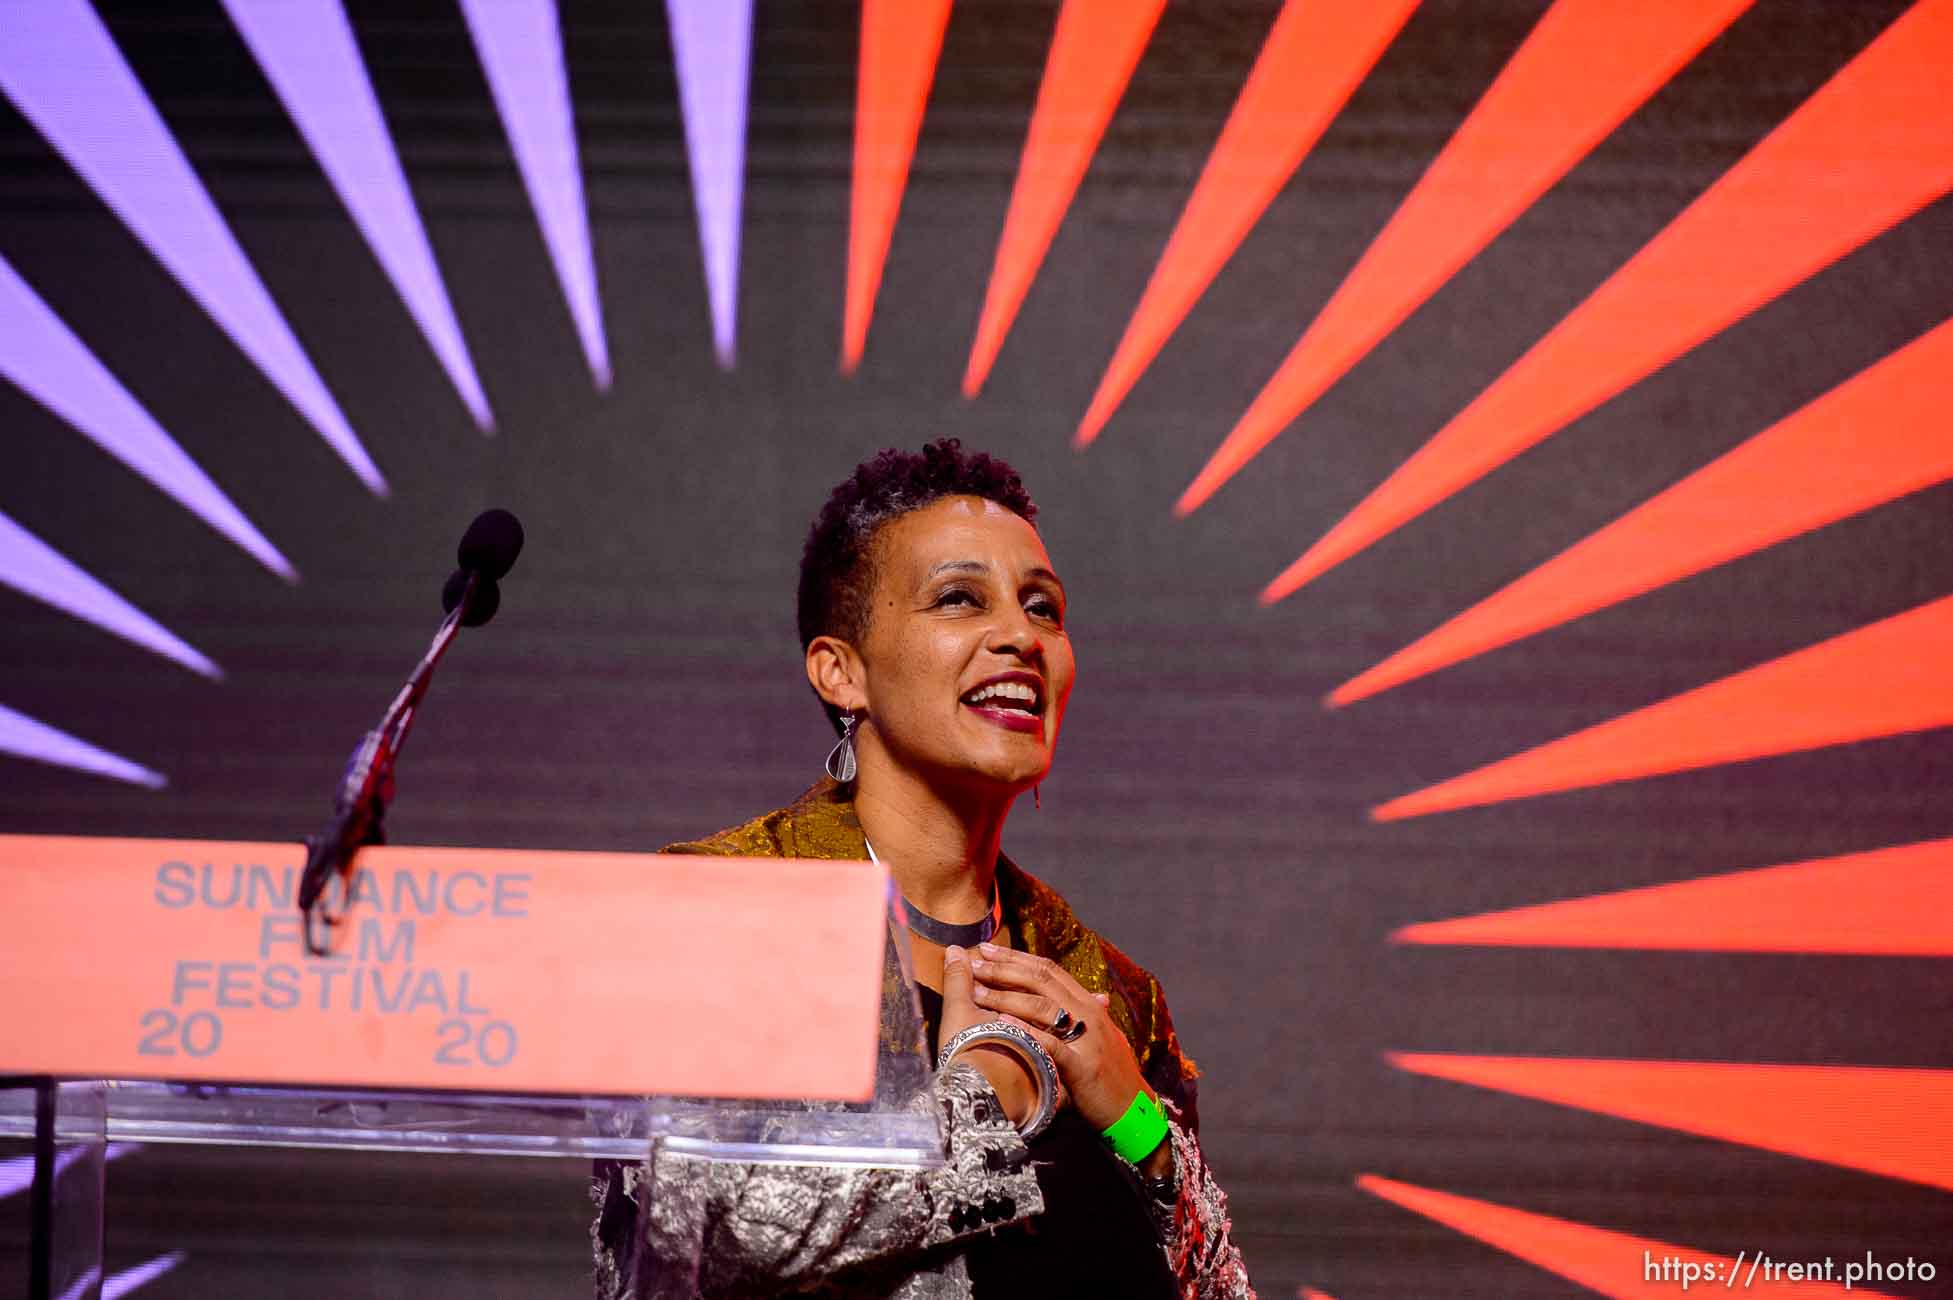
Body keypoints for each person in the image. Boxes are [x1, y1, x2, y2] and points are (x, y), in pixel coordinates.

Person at [592, 439, 1254, 1299]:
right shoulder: (716, 914)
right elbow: (724, 1243)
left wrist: (1136, 1123)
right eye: (958, 600)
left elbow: (1215, 1286)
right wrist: (984, 1091)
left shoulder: (1109, 993)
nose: (1019, 636)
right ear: (842, 671)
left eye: (1043, 608)